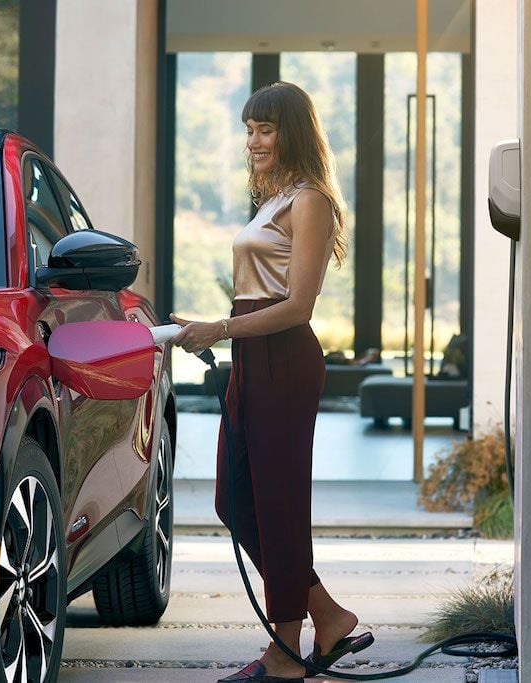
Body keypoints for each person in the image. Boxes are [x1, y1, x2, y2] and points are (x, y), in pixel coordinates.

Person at [170, 81, 374, 683]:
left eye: (266, 129)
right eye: (249, 130)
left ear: (294, 134)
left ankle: (284, 655)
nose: (254, 141)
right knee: (235, 502)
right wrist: (212, 330)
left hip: (284, 359)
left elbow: (298, 306)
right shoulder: (272, 199)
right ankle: (328, 615)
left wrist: (219, 328)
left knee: (279, 508)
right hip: (253, 361)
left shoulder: (309, 201)